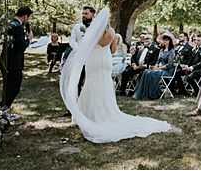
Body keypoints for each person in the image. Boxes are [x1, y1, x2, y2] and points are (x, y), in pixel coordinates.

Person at [60, 9, 178, 143]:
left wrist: (88, 36)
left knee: (95, 85)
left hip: (97, 61)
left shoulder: (102, 32)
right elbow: (111, 49)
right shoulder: (106, 32)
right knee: (96, 85)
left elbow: (97, 46)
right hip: (99, 61)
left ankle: (94, 116)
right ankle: (94, 114)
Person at [0, 6, 34, 109]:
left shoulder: (10, 24)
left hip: (5, 61)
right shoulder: (17, 27)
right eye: (29, 17)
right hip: (13, 63)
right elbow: (21, 47)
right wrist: (29, 39)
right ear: (25, 16)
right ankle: (4, 108)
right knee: (14, 87)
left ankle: (2, 109)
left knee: (7, 87)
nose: (28, 20)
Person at [133, 33, 176, 100]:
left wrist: (159, 68)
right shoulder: (161, 50)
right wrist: (155, 67)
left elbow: (169, 65)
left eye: (167, 40)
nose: (165, 41)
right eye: (164, 40)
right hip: (159, 68)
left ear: (170, 41)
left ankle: (152, 94)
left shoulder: (171, 51)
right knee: (146, 72)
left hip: (167, 71)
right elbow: (158, 61)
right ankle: (143, 93)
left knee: (151, 74)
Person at [67, 6, 96, 96]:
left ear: (92, 14)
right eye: (83, 13)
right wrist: (78, 50)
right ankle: (74, 104)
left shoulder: (97, 27)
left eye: (86, 14)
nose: (83, 15)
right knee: (77, 82)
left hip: (93, 59)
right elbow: (72, 40)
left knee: (91, 83)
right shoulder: (77, 27)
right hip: (79, 58)